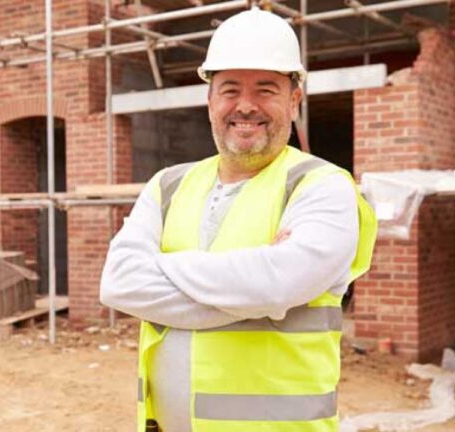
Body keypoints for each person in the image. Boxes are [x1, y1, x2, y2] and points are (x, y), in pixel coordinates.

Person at [99, 6, 378, 432]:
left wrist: (160, 272)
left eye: (265, 89)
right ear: (210, 97)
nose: (245, 106)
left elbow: (278, 283)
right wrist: (256, 294)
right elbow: (118, 282)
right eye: (230, 89)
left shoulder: (322, 187)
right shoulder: (168, 185)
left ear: (294, 98)